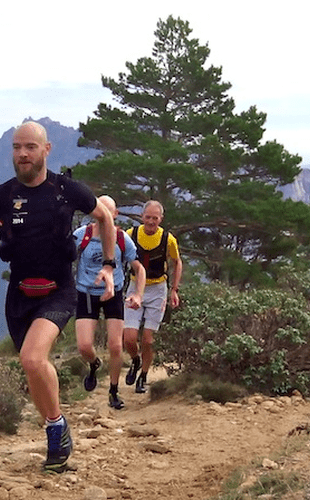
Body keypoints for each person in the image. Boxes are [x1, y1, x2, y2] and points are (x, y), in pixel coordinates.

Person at [0, 121, 116, 473]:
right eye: (17, 147)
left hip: (59, 290)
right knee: (31, 365)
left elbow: (105, 219)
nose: (22, 153)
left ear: (46, 150)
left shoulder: (67, 190)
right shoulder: (4, 195)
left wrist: (109, 266)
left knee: (34, 359)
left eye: (30, 147)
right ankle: (57, 423)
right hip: (19, 293)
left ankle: (55, 430)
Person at [74, 195, 146, 410]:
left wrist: (138, 295)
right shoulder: (81, 236)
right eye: (99, 209)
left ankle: (114, 391)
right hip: (86, 293)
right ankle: (94, 364)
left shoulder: (122, 239)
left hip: (114, 293)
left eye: (108, 211)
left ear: (115, 214)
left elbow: (139, 268)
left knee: (116, 346)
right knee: (84, 346)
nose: (103, 215)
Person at [123, 200, 182, 393]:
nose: (150, 222)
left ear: (161, 219)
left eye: (155, 218)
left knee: (148, 340)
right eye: (147, 217)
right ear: (142, 216)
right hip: (134, 286)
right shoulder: (130, 235)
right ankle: (135, 360)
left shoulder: (168, 239)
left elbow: (177, 262)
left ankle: (144, 376)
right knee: (129, 338)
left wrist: (174, 289)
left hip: (157, 289)